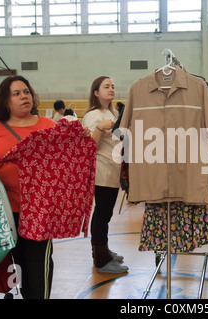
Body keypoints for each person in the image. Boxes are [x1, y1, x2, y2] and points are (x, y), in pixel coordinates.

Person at [0, 75, 91, 299]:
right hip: (4, 212)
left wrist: (81, 136)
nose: (24, 96)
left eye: (26, 92)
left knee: (38, 268)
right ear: (5, 101)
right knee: (15, 266)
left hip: (40, 212)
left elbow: (65, 160)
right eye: (16, 93)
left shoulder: (48, 126)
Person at [82, 76, 128, 274]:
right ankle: (101, 260)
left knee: (105, 214)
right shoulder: (94, 116)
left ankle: (104, 251)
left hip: (112, 170)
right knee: (102, 214)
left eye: (113, 86)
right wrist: (101, 128)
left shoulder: (112, 111)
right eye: (106, 86)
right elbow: (90, 146)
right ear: (96, 92)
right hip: (101, 171)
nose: (111, 89)